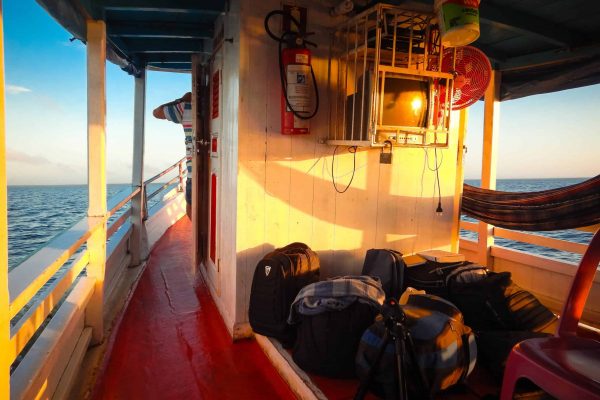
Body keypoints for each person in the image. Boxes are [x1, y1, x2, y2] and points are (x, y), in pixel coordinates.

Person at [153, 92, 193, 219]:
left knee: (192, 210)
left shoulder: (186, 107)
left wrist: (180, 100)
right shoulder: (223, 102)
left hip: (194, 173)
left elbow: (156, 112)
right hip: (221, 173)